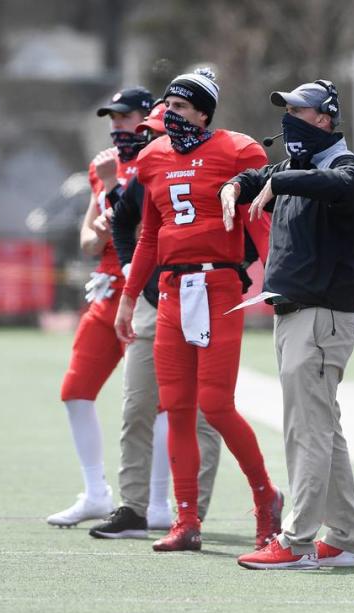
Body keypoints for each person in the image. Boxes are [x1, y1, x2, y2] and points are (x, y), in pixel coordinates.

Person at [114, 68, 283, 553]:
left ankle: (265, 496)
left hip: (217, 287)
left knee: (216, 404)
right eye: (168, 105)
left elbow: (258, 221)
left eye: (182, 107)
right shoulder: (152, 157)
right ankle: (185, 519)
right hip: (170, 288)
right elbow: (148, 234)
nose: (171, 114)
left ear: (204, 113)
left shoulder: (237, 150)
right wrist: (128, 298)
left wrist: (275, 280)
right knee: (177, 407)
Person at [226, 79, 354, 570]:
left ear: (325, 119)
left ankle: (297, 539)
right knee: (323, 431)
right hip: (296, 312)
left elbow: (342, 185)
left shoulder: (343, 166)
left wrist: (278, 180)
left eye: (299, 112)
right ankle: (347, 538)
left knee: (305, 431)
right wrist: (235, 184)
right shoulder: (295, 165)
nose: (288, 120)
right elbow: (257, 176)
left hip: (321, 315)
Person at [88, 101, 224, 539]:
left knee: (205, 411)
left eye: (157, 130)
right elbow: (124, 223)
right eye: (148, 131)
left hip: (206, 295)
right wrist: (131, 274)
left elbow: (242, 222)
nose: (150, 139)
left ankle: (194, 512)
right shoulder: (149, 170)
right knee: (137, 405)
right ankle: (132, 507)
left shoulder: (217, 161)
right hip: (154, 299)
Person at [46, 86, 154, 528]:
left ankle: (160, 502)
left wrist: (114, 193)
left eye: (124, 117)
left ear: (147, 117)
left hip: (148, 290)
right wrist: (109, 211)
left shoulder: (159, 159)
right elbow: (89, 240)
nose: (116, 126)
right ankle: (95, 492)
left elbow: (152, 228)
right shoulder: (100, 164)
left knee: (152, 402)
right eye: (111, 118)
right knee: (75, 390)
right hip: (109, 288)